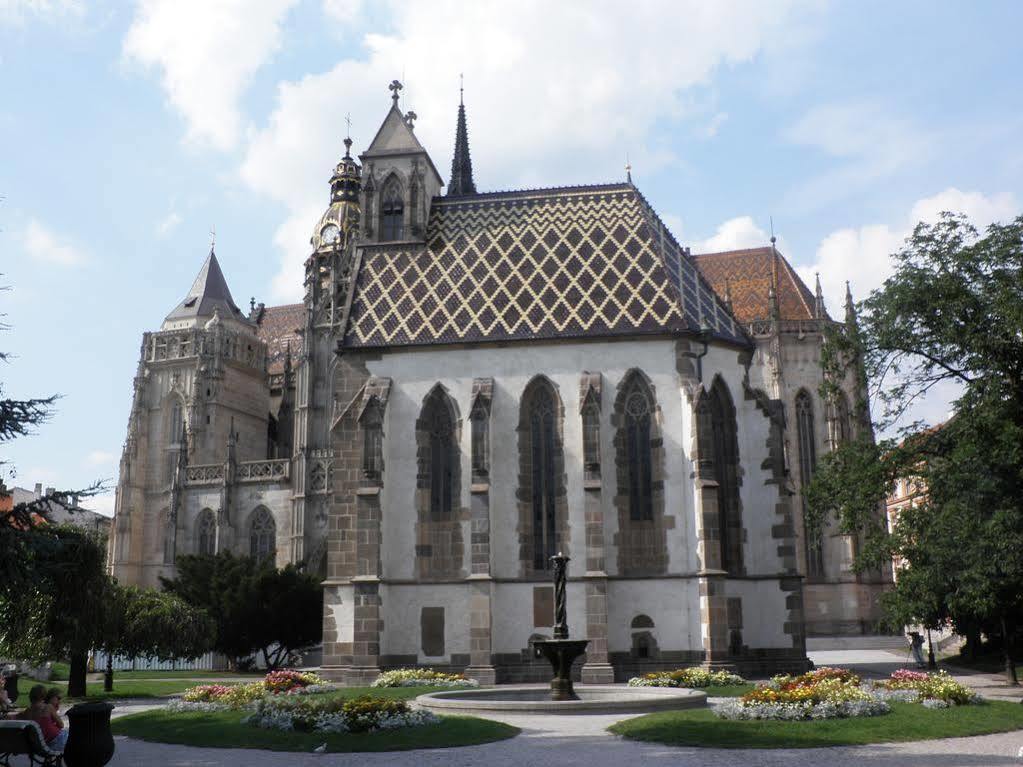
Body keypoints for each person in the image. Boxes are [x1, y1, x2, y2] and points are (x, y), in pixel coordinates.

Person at [18, 684, 68, 752]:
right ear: (44, 696)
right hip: (57, 740)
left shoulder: (27, 711)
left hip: (40, 744)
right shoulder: (48, 707)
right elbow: (61, 725)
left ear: (30, 696)